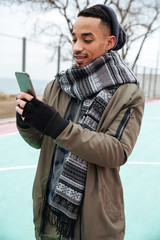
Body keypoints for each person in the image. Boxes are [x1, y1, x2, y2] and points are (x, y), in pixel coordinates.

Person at [16, 4, 145, 240]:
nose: (77, 47)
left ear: (109, 42)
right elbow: (41, 141)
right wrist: (26, 121)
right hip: (50, 211)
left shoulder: (129, 93)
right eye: (74, 38)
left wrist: (58, 126)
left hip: (94, 219)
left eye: (87, 39)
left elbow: (118, 151)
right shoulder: (58, 84)